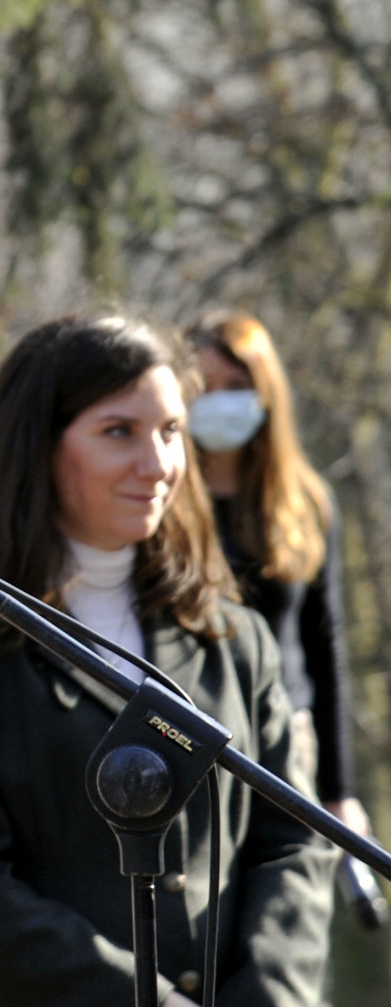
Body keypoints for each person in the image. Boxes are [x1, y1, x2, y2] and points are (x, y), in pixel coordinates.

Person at [0, 315, 335, 1007]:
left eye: (172, 430)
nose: (157, 463)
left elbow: (293, 842)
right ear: (39, 445)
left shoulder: (231, 634)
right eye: (119, 431)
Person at [186, 312, 368, 840]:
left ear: (265, 393)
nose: (217, 401)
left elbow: (324, 643)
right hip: (190, 736)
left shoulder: (305, 503)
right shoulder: (159, 502)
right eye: (202, 387)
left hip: (288, 738)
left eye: (235, 387)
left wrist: (339, 791)